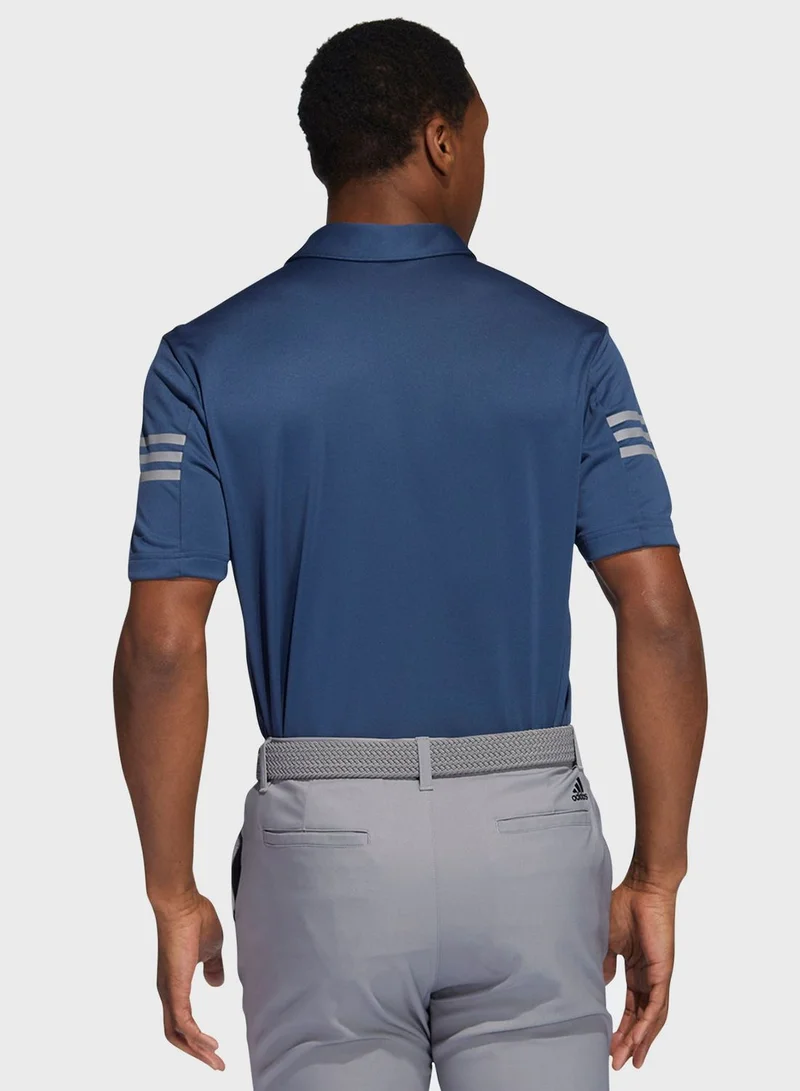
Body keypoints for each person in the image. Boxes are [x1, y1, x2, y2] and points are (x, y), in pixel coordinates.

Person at [114, 17, 707, 1091]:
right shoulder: (569, 350)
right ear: (440, 140)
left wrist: (171, 888)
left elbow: (163, 643)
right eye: (479, 137)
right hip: (526, 835)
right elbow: (657, 613)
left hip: (324, 849)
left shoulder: (203, 361)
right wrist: (656, 872)